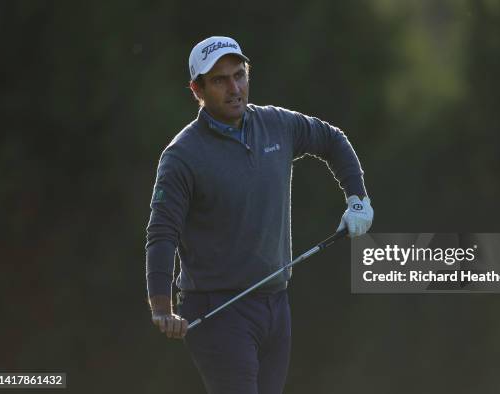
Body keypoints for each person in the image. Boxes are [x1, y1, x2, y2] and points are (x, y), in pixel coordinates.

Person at [145, 36, 374, 394]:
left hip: (275, 303)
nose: (234, 88)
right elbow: (162, 232)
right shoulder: (182, 155)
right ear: (197, 89)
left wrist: (357, 198)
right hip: (217, 309)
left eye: (239, 75)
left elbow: (331, 139)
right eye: (220, 80)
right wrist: (161, 307)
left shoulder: (277, 125)